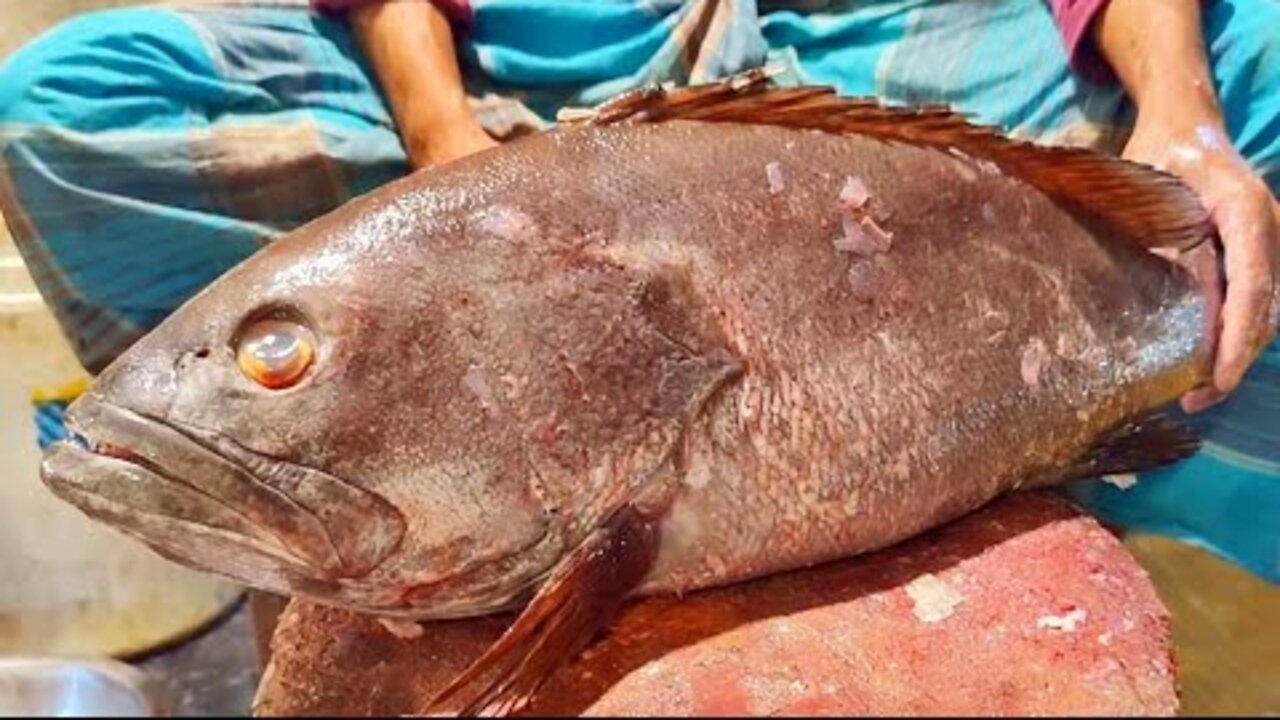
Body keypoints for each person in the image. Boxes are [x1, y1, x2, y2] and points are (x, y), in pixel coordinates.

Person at [0, 0, 1275, 582]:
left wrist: (1181, 111)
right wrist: (446, 146)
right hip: (548, 51)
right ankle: (370, 472)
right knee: (71, 105)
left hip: (915, 30)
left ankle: (1073, 429)